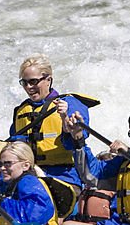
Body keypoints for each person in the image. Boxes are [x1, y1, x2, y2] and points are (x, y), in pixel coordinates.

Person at [9, 54, 98, 196]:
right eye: (24, 83)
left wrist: (67, 123)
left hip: (64, 178)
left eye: (33, 81)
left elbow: (78, 140)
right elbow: (13, 148)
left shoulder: (70, 104)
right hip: (30, 176)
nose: (29, 87)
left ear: (48, 80)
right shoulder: (21, 111)